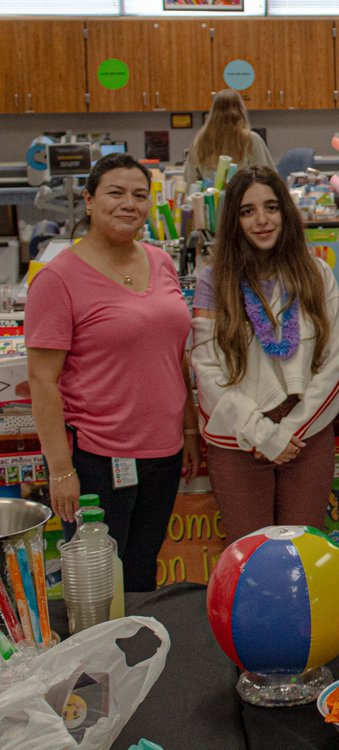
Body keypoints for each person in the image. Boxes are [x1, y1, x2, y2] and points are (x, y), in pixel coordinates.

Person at [26, 154, 199, 592]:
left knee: (142, 576)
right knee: (99, 585)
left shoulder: (161, 262)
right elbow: (43, 381)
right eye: (116, 193)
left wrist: (190, 430)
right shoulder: (57, 280)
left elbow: (173, 354)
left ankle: (138, 661)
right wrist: (61, 469)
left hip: (163, 453)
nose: (130, 204)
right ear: (88, 200)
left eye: (140, 195)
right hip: (98, 459)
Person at [191, 167, 339, 542]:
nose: (261, 220)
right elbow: (207, 369)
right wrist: (262, 433)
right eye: (247, 211)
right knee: (252, 558)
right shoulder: (214, 281)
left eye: (271, 207)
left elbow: (336, 361)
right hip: (238, 439)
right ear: (234, 220)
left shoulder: (316, 273)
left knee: (303, 554)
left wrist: (289, 432)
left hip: (306, 436)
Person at [184, 89, 274, 185]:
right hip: (246, 198)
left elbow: (190, 182)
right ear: (241, 111)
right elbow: (268, 177)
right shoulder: (251, 139)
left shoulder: (200, 142)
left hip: (210, 198)